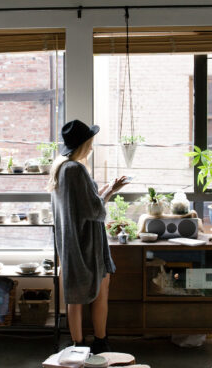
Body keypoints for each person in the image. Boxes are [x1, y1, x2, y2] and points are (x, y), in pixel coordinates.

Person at [48, 119, 127, 354]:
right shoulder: (77, 169)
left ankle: (77, 346)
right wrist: (111, 192)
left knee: (74, 296)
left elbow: (83, 203)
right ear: (83, 144)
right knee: (101, 291)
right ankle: (100, 342)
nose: (92, 147)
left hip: (71, 244)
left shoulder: (61, 168)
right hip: (87, 244)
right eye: (90, 142)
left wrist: (104, 189)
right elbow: (94, 210)